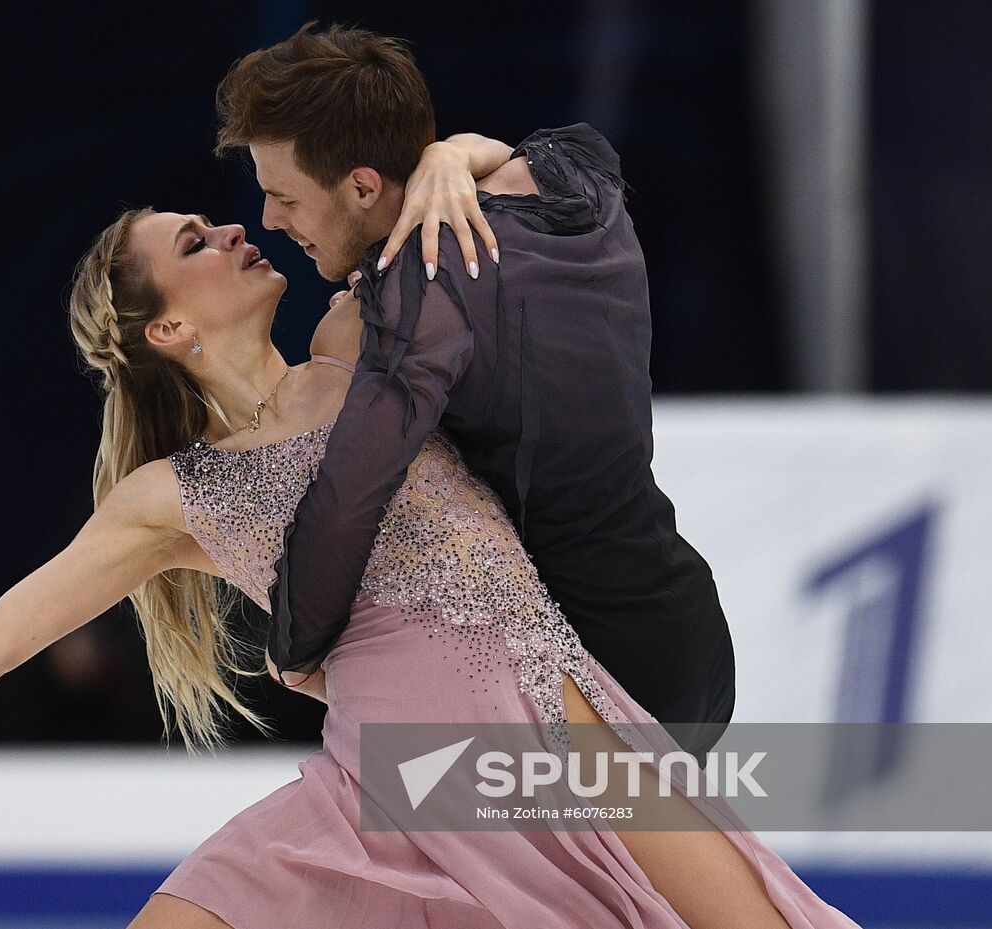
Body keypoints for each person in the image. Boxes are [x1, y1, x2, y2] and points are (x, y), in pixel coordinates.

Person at [0, 182, 864, 926]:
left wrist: (450, 160)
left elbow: (522, 189)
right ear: (169, 327)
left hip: (552, 736)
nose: (234, 226)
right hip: (367, 802)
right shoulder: (167, 498)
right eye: (194, 239)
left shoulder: (362, 339)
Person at [219, 22, 737, 759]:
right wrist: (452, 152)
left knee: (390, 833)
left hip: (596, 679)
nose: (270, 220)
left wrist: (291, 642)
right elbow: (575, 143)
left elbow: (351, 493)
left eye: (284, 198)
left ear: (364, 185)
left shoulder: (420, 289)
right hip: (689, 638)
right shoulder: (573, 181)